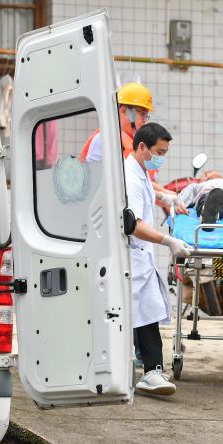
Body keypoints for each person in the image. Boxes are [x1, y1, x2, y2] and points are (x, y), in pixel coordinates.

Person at [124, 122, 191, 396]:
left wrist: (165, 197)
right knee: (138, 316)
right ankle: (148, 371)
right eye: (159, 152)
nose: (162, 157)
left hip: (140, 257)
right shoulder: (130, 178)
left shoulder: (138, 171)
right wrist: (169, 241)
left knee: (146, 314)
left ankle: (151, 370)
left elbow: (147, 190)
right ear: (142, 147)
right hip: (132, 256)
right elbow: (134, 225)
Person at [81, 82, 185, 212]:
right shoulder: (106, 139)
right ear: (124, 111)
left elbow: (138, 179)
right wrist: (163, 196)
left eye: (146, 115)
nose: (144, 120)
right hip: (98, 211)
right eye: (142, 114)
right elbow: (127, 182)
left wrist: (167, 195)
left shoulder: (126, 140)